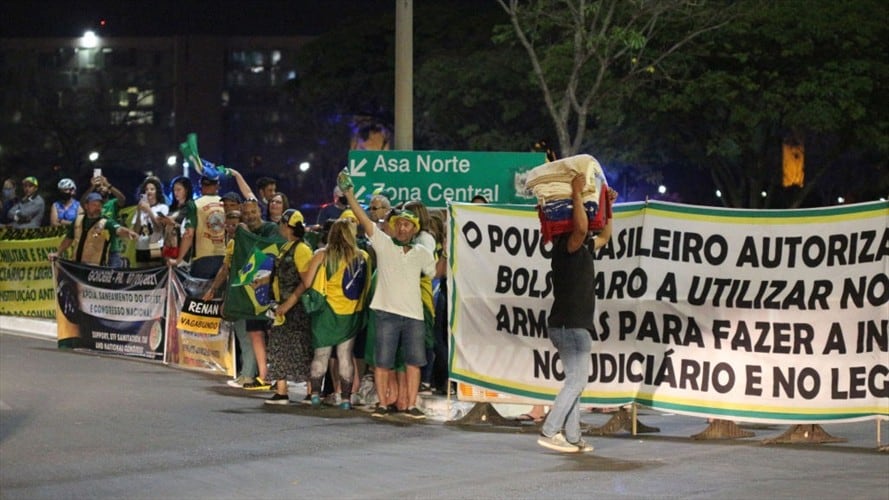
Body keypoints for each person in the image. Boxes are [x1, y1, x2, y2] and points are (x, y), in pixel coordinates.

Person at [342, 178, 436, 420]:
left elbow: (436, 271)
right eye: (400, 224)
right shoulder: (383, 244)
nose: (403, 228)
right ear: (392, 226)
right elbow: (362, 218)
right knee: (382, 362)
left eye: (408, 225)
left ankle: (412, 404)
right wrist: (350, 194)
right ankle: (383, 404)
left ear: (415, 229)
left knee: (414, 363)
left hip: (414, 315)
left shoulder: (422, 253)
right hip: (386, 312)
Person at [536, 174, 615, 454]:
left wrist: (607, 205)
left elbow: (604, 235)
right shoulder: (565, 248)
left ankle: (572, 437)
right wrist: (577, 193)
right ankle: (550, 430)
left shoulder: (583, 249)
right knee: (577, 381)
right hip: (571, 326)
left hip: (570, 325)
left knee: (575, 382)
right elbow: (581, 229)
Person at [303, 218, 371, 410]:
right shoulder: (363, 256)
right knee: (345, 356)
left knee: (321, 355)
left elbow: (308, 283)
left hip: (326, 313)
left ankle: (315, 394)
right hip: (350, 314)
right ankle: (346, 399)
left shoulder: (322, 255)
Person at [262, 209, 314, 404]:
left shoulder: (302, 250)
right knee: (278, 347)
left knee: (301, 349)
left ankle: (311, 391)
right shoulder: (287, 247)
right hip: (281, 306)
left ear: (287, 226)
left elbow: (306, 282)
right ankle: (282, 391)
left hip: (296, 309)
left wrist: (289, 302)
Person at [50, 192, 138, 265]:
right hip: (78, 264)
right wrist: (58, 253)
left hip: (96, 267)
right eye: (94, 205)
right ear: (86, 206)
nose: (97, 207)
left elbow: (118, 229)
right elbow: (68, 238)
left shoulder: (105, 221)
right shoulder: (78, 220)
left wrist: (128, 232)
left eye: (99, 205)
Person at [168, 174, 225, 279]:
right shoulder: (226, 203)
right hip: (225, 258)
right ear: (217, 186)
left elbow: (189, 234)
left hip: (202, 259)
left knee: (199, 294)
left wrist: (178, 259)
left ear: (201, 186)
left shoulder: (194, 204)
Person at [82, 175, 128, 267]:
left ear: (109, 191)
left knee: (115, 277)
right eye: (100, 186)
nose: (102, 188)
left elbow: (122, 199)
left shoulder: (113, 203)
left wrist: (108, 185)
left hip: (112, 248)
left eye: (104, 186)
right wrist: (93, 186)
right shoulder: (93, 205)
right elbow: (83, 202)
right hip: (96, 249)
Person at [131, 176, 169, 267]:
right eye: (146, 189)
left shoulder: (162, 207)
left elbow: (159, 229)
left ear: (157, 192)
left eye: (152, 189)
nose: (149, 191)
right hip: (141, 246)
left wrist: (149, 210)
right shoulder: (139, 209)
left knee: (155, 271)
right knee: (141, 275)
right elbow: (135, 231)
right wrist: (139, 211)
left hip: (155, 245)